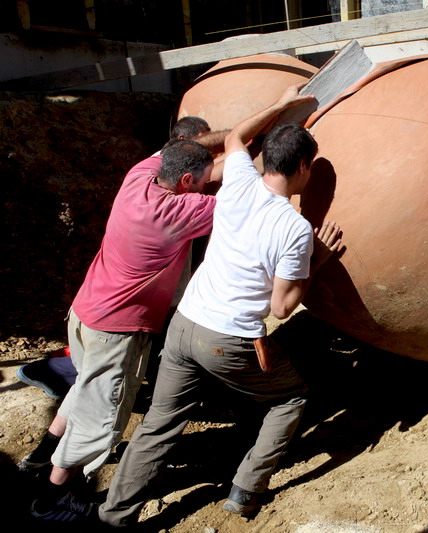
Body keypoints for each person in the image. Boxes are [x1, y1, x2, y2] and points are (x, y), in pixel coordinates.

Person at [96, 86, 344, 527]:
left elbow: (235, 140)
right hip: (225, 339)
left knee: (158, 425)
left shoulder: (235, 181)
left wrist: (280, 104)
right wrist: (318, 260)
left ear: (264, 158)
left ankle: (113, 516)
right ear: (304, 168)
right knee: (289, 400)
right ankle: (246, 489)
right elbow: (282, 307)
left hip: (185, 324)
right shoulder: (295, 230)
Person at [24, 139, 218, 522]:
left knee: (84, 386)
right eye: (202, 183)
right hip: (116, 331)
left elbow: (170, 153)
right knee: (100, 419)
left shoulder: (138, 178)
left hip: (85, 314)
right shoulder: (180, 211)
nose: (206, 189)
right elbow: (250, 200)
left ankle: (39, 455)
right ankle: (50, 500)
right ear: (184, 181)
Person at [15, 116, 226, 403]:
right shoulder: (179, 209)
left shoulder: (138, 179)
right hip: (121, 321)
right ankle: (62, 376)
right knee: (108, 399)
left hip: (92, 309)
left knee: (99, 368)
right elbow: (237, 199)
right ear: (180, 153)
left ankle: (54, 383)